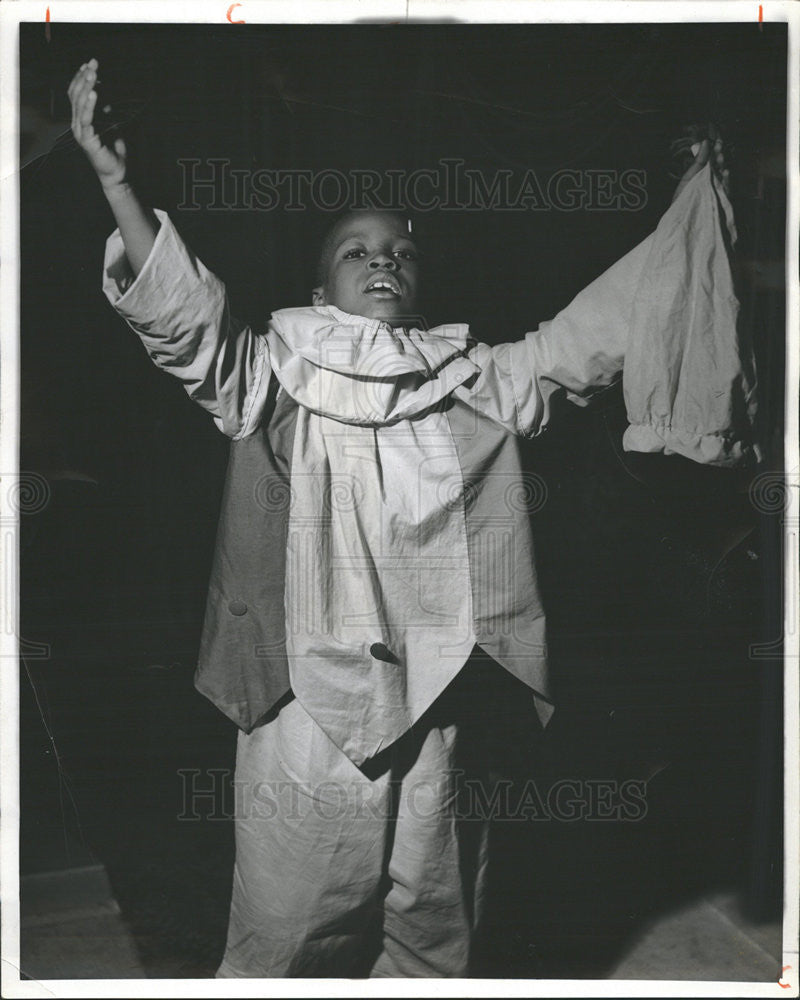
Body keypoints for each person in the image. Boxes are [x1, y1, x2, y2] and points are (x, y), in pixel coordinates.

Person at [68, 58, 755, 978]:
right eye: (356, 251)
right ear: (322, 293)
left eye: (400, 251)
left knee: (437, 922)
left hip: (441, 694)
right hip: (303, 701)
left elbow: (598, 329)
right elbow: (187, 322)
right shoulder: (271, 369)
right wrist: (118, 182)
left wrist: (692, 207)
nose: (383, 260)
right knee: (289, 921)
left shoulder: (476, 379)